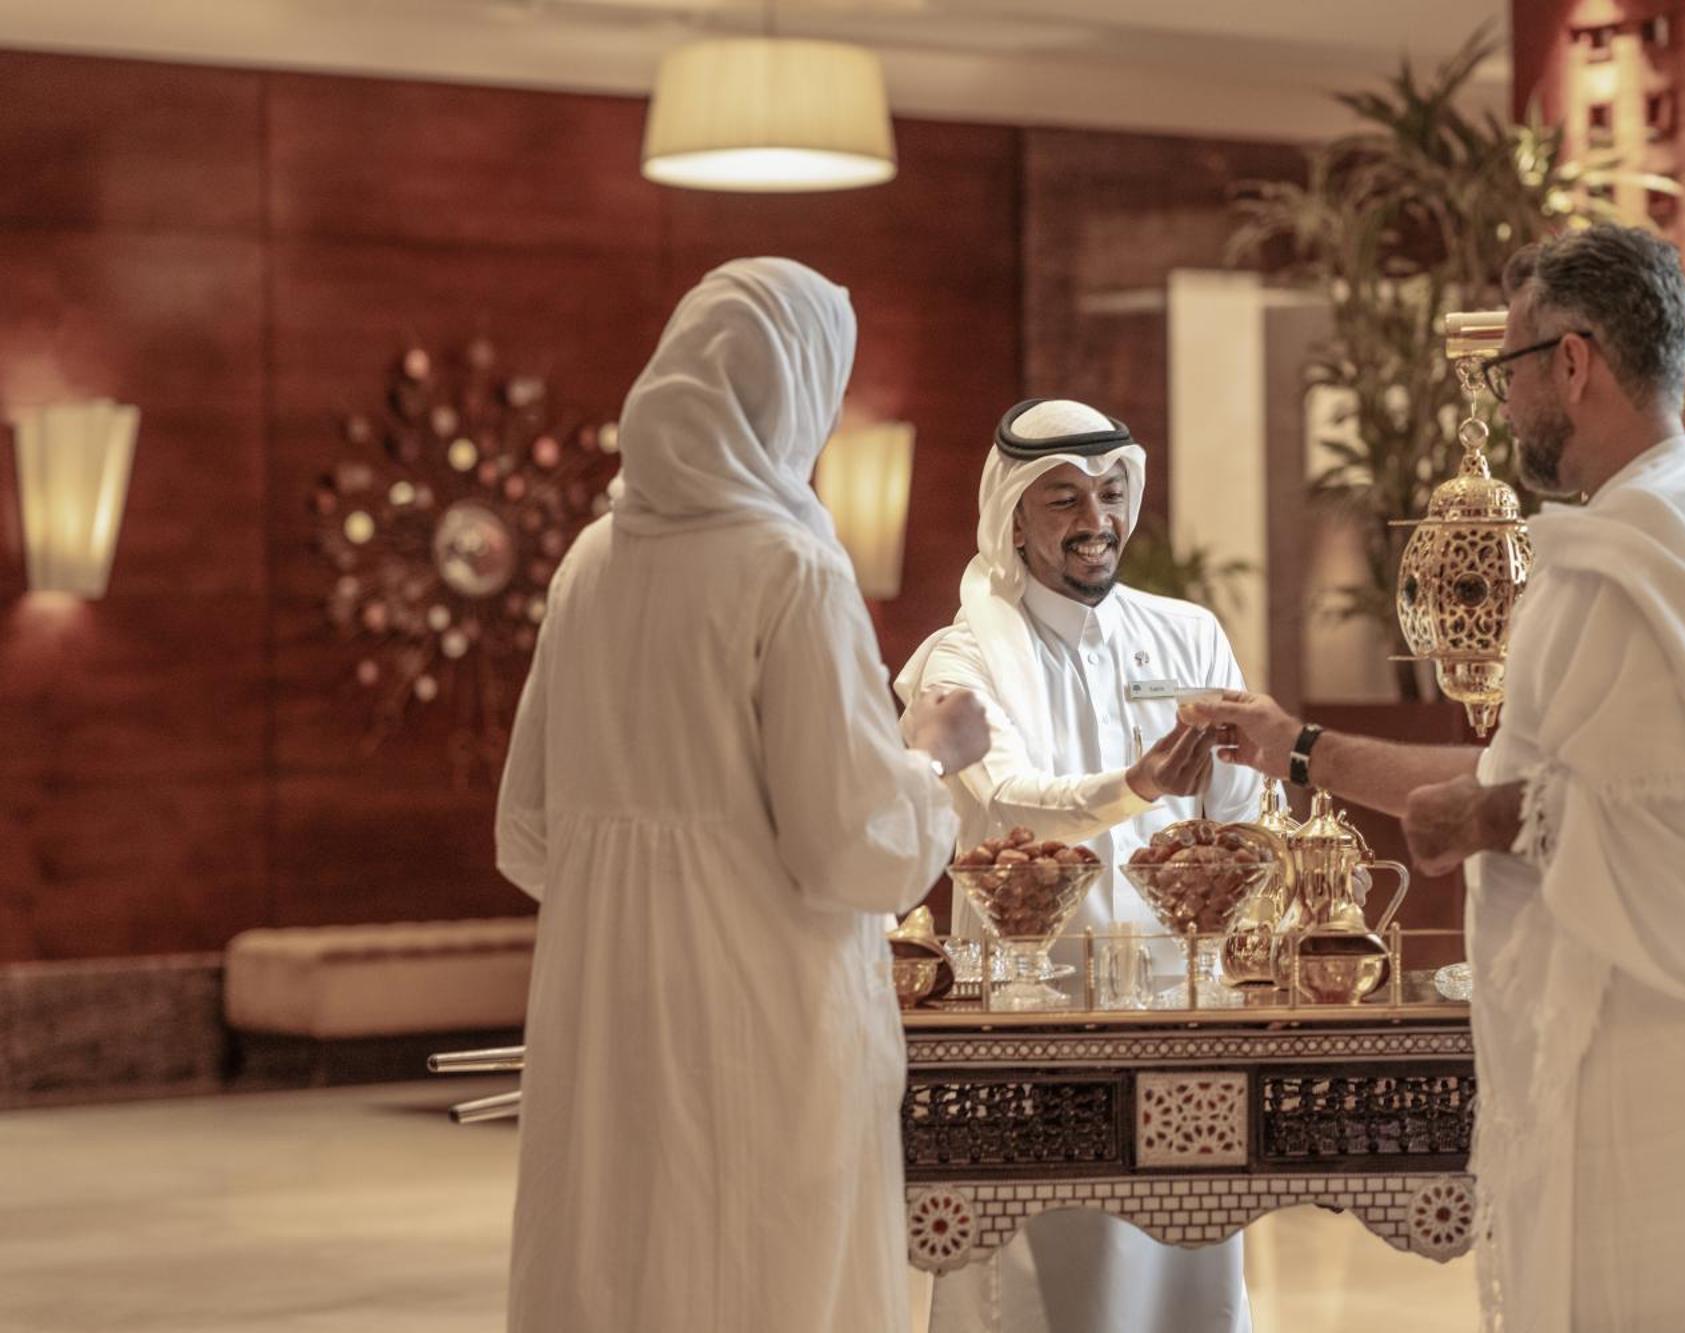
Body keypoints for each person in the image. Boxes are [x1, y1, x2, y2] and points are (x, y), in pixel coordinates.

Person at [1190, 223, 1685, 1332]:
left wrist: (1481, 814)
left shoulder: (1636, 551)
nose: (1507, 401)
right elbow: (1544, 776)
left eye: (1511, 370)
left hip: (1639, 1039)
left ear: (1572, 361)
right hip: (1660, 1024)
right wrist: (1290, 745)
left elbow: (1639, 809)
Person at [495, 257, 989, 1333]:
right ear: (795, 395)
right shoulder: (790, 570)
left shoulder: (588, 562)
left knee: (619, 1257)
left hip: (601, 1004)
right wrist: (931, 754)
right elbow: (849, 844)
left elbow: (528, 829)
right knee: (756, 1261)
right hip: (761, 1002)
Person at [896, 397, 1259, 1333]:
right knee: (1033, 1286)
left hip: (1181, 1020)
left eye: (1108, 492)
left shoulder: (1189, 636)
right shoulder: (960, 654)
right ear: (1012, 512)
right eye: (1062, 499)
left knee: (1187, 1276)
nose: (1095, 520)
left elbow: (1243, 818)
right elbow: (1010, 795)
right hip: (1030, 1022)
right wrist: (1134, 785)